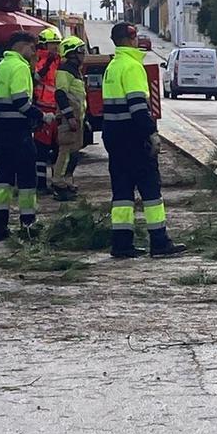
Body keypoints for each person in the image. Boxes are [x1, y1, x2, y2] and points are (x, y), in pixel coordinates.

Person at [101, 21, 185, 260]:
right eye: (135, 36)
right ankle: (159, 241)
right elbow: (138, 107)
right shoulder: (132, 67)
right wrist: (151, 133)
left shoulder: (113, 67)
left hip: (115, 138)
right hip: (134, 138)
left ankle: (122, 244)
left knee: (122, 193)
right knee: (150, 189)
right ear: (130, 39)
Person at [0, 32, 42, 241]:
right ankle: (28, 225)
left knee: (3, 179)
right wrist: (42, 116)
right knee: (27, 178)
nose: (34, 53)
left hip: (3, 129)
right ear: (23, 46)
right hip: (19, 130)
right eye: (32, 48)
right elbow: (21, 101)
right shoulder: (20, 67)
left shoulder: (4, 65)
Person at [53, 35, 87, 198]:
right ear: (70, 53)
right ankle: (59, 183)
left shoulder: (74, 71)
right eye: (80, 51)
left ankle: (67, 181)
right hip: (69, 119)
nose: (83, 55)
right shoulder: (65, 71)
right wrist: (69, 116)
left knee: (73, 152)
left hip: (76, 119)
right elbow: (60, 94)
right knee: (66, 151)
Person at [33, 25, 62, 196]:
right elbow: (36, 78)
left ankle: (56, 182)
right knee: (41, 150)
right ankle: (41, 184)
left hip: (57, 110)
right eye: (52, 44)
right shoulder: (39, 61)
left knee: (58, 149)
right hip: (43, 109)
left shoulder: (59, 61)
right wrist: (48, 62)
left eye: (57, 44)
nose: (55, 47)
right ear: (44, 45)